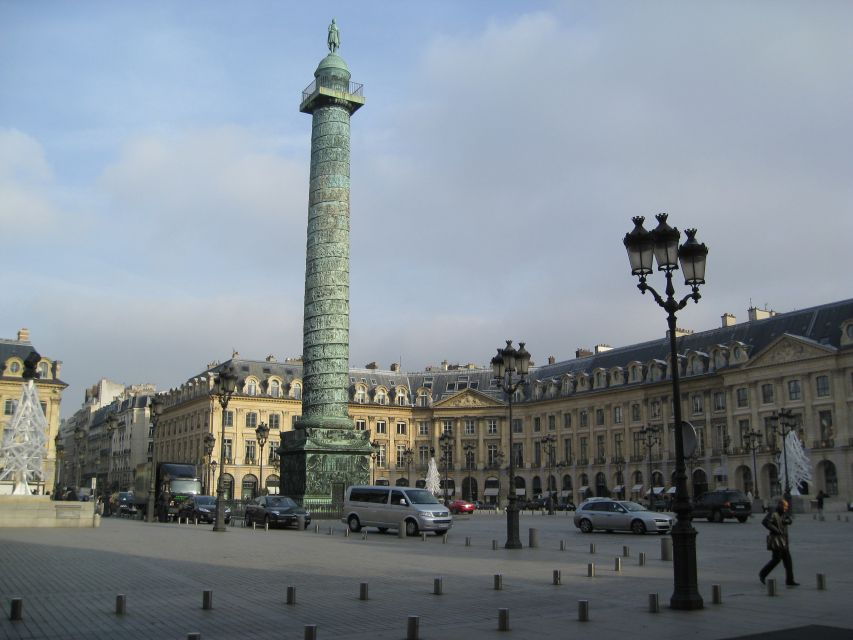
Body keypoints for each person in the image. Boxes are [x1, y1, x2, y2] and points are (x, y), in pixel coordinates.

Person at [759, 499, 799, 586]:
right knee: (776, 559)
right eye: (785, 506)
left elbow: (789, 520)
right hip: (777, 540)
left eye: (787, 507)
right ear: (780, 505)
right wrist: (776, 530)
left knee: (788, 561)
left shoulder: (783, 513)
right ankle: (762, 573)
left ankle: (790, 580)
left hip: (784, 540)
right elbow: (765, 522)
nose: (786, 508)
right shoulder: (773, 513)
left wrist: (786, 521)